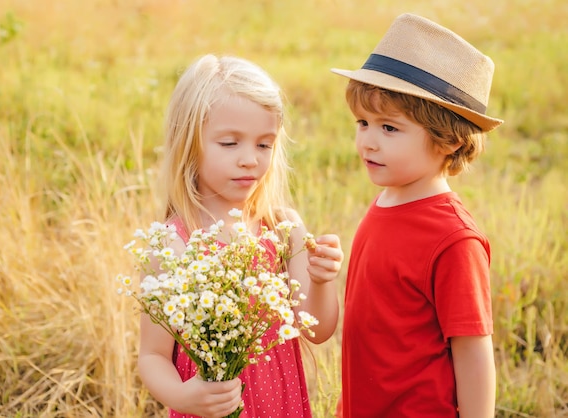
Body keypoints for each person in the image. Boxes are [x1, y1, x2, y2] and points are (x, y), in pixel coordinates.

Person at [138, 54, 344, 418]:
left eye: (264, 144)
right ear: (189, 143)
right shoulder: (175, 244)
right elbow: (153, 356)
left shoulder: (283, 229)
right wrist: (183, 397)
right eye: (230, 143)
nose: (250, 159)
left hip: (279, 403)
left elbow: (317, 330)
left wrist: (322, 280)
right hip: (209, 408)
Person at [331, 13, 502, 418]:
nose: (368, 141)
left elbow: (473, 349)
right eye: (363, 123)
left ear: (448, 140)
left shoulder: (453, 238)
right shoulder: (387, 201)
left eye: (389, 128)